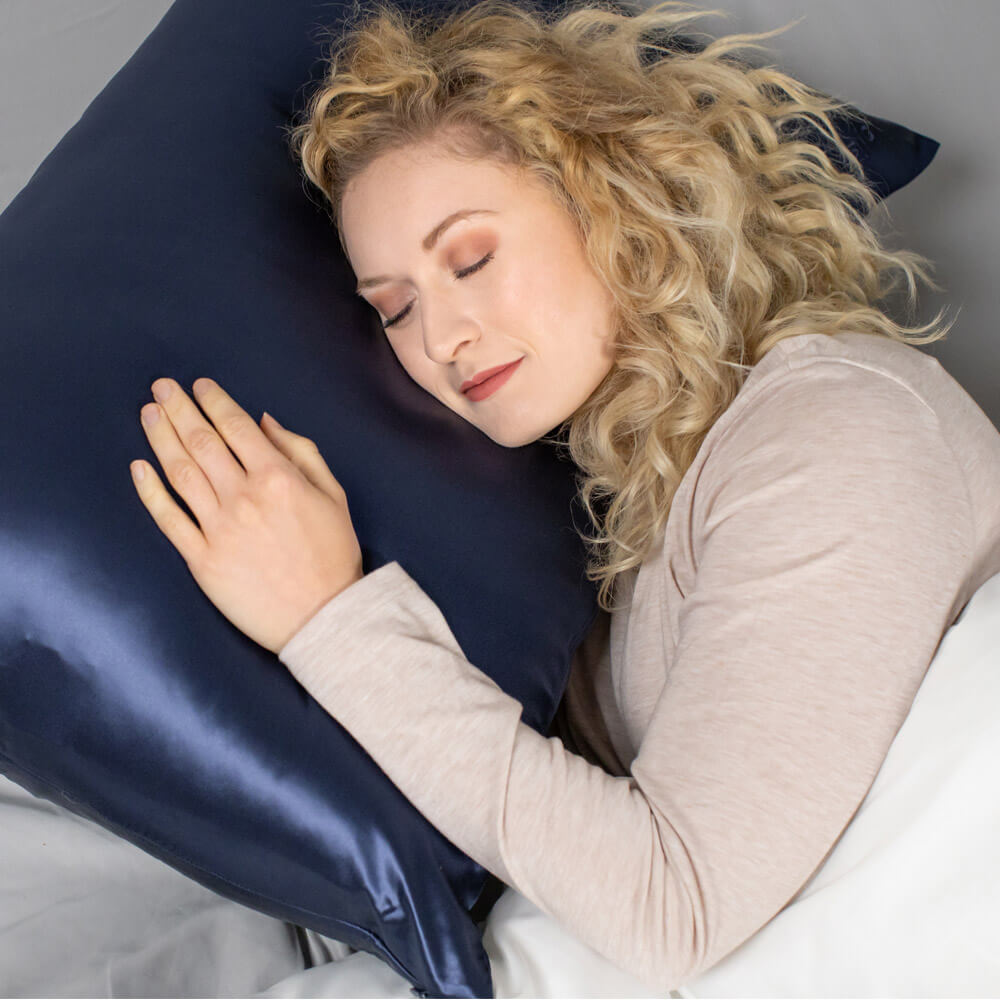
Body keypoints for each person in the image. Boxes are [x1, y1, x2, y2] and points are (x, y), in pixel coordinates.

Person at [131, 0, 1000, 991]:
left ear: (615, 201)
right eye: (396, 309)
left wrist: (331, 621)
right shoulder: (629, 509)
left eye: (471, 257)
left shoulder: (836, 432)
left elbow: (674, 909)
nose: (441, 338)